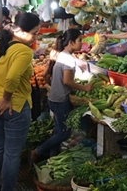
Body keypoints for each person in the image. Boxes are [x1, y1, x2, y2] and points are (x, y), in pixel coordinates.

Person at [0, 12, 40, 191]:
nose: (36, 36)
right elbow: (12, 78)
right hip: (13, 107)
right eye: (34, 32)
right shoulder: (24, 51)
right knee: (12, 154)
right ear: (21, 32)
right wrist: (6, 99)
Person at [31, 29, 93, 163]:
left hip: (54, 97)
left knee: (58, 130)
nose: (81, 44)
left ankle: (53, 158)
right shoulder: (69, 59)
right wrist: (84, 87)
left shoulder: (62, 55)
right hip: (60, 100)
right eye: (79, 40)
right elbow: (67, 81)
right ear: (71, 42)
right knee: (64, 133)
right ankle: (38, 151)